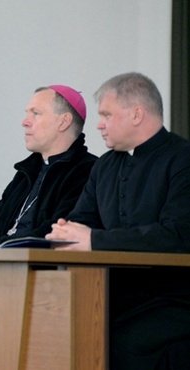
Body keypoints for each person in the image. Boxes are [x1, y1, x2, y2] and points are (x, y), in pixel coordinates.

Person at [46, 72, 190, 369]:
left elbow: (177, 235)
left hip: (172, 297)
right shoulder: (105, 166)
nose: (99, 124)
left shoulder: (182, 159)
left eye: (107, 115)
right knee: (52, 330)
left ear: (137, 114)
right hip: (110, 293)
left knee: (119, 342)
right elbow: (79, 221)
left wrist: (94, 240)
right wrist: (65, 232)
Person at [0, 85, 97, 247]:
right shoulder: (28, 171)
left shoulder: (88, 171)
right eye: (27, 114)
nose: (25, 122)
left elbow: (55, 231)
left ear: (63, 122)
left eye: (36, 114)